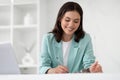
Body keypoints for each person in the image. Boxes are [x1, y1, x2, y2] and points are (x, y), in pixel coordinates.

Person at [40, 1, 102, 74]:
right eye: (67, 20)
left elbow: (88, 65)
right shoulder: (47, 39)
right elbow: (43, 67)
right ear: (60, 19)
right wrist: (53, 70)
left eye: (76, 21)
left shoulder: (85, 39)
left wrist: (92, 69)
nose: (71, 25)